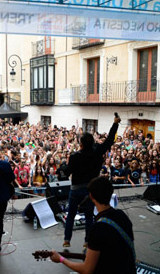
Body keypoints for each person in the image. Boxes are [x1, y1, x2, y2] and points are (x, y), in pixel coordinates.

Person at [50, 176, 136, 274]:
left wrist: (61, 259)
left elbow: (86, 270)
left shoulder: (98, 228)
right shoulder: (122, 215)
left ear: (91, 196)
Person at [63, 115, 120, 248]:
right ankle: (87, 241)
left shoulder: (75, 156)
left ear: (81, 144)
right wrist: (115, 123)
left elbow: (66, 172)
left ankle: (67, 240)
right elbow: (110, 140)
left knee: (71, 215)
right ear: (92, 142)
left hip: (76, 190)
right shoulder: (97, 152)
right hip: (90, 190)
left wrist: (65, 166)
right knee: (89, 216)